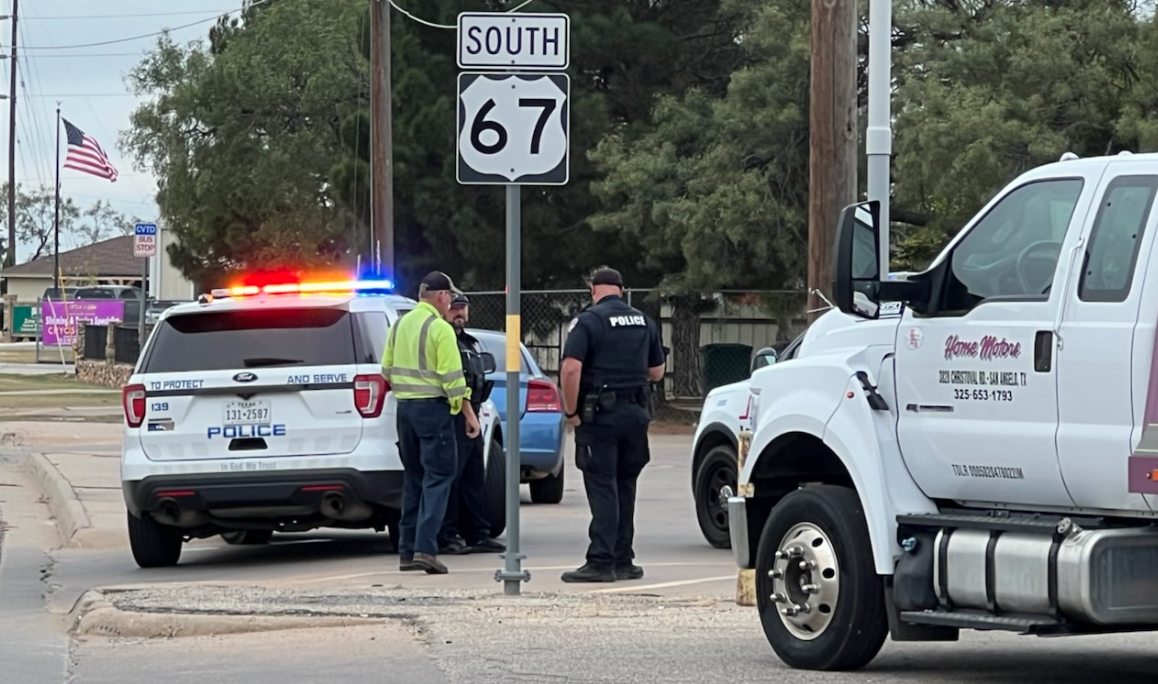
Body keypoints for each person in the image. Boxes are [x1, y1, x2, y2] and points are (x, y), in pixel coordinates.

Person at [558, 267, 666, 583]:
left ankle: (601, 562)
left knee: (603, 486)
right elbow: (657, 371)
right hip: (636, 415)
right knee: (625, 486)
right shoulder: (644, 321)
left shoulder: (588, 321)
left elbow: (571, 369)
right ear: (622, 289)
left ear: (593, 290)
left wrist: (571, 412)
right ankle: (623, 559)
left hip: (600, 418)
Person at [382, 271, 481, 574]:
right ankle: (426, 549)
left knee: (414, 479)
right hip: (434, 411)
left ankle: (407, 551)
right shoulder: (440, 328)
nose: (451, 301)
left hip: (405, 411)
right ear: (441, 296)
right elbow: (454, 380)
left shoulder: (399, 325)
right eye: (450, 295)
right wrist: (468, 414)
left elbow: (386, 370)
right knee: (439, 478)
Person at [439, 294, 506, 555]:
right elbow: (453, 383)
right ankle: (447, 535)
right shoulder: (444, 339)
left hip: (472, 412)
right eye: (455, 308)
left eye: (463, 308)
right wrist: (468, 414)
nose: (460, 313)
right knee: (452, 477)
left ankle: (477, 534)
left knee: (473, 477)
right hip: (453, 414)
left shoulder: (468, 342)